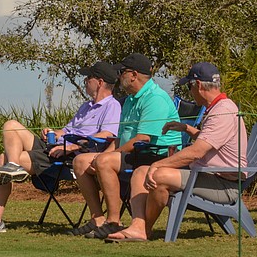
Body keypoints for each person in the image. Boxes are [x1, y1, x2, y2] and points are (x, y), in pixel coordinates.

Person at [0, 62, 121, 234]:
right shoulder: (86, 106)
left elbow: (107, 135)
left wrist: (72, 146)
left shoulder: (112, 105)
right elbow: (67, 129)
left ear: (99, 82)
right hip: (56, 147)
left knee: (3, 158)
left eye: (88, 78)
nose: (85, 81)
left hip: (73, 155)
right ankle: (14, 166)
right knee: (11, 125)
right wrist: (54, 132)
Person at [107, 62, 247, 241]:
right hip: (205, 175)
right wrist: (186, 128)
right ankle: (138, 226)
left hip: (222, 184)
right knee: (141, 171)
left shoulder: (223, 111)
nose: (190, 92)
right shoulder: (217, 108)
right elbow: (211, 141)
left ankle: (143, 229)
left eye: (189, 87)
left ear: (197, 85)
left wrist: (158, 164)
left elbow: (196, 152)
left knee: (157, 175)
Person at [69, 53, 181, 239]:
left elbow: (143, 138)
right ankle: (97, 218)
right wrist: (101, 156)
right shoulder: (130, 99)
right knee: (81, 161)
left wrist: (106, 158)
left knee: (104, 162)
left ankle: (114, 222)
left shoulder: (155, 98)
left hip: (155, 155)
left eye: (121, 72)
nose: (119, 77)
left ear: (134, 75)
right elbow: (120, 139)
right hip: (134, 153)